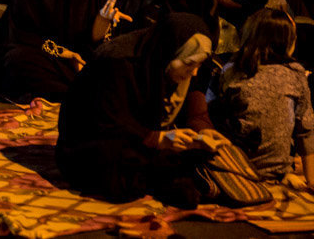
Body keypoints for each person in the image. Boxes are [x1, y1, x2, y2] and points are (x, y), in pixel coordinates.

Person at [56, 13, 226, 209]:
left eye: (198, 65)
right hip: (90, 141)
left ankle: (164, 175)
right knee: (120, 178)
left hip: (141, 137)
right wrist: (156, 138)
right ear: (169, 51)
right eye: (189, 64)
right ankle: (162, 179)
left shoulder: (180, 60)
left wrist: (203, 130)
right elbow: (104, 121)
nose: (194, 72)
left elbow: (195, 106)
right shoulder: (118, 62)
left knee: (202, 152)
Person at [209, 8, 314, 187]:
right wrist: (311, 179)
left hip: (234, 166)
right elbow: (305, 129)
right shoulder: (295, 73)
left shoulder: (231, 70)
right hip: (277, 170)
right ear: (285, 40)